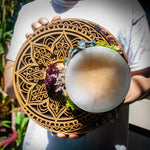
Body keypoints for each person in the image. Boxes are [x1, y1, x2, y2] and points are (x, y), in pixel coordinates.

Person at [4, 0, 150, 149]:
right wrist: (31, 53)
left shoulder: (126, 7)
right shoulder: (30, 10)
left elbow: (145, 78)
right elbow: (9, 86)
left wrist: (110, 101)